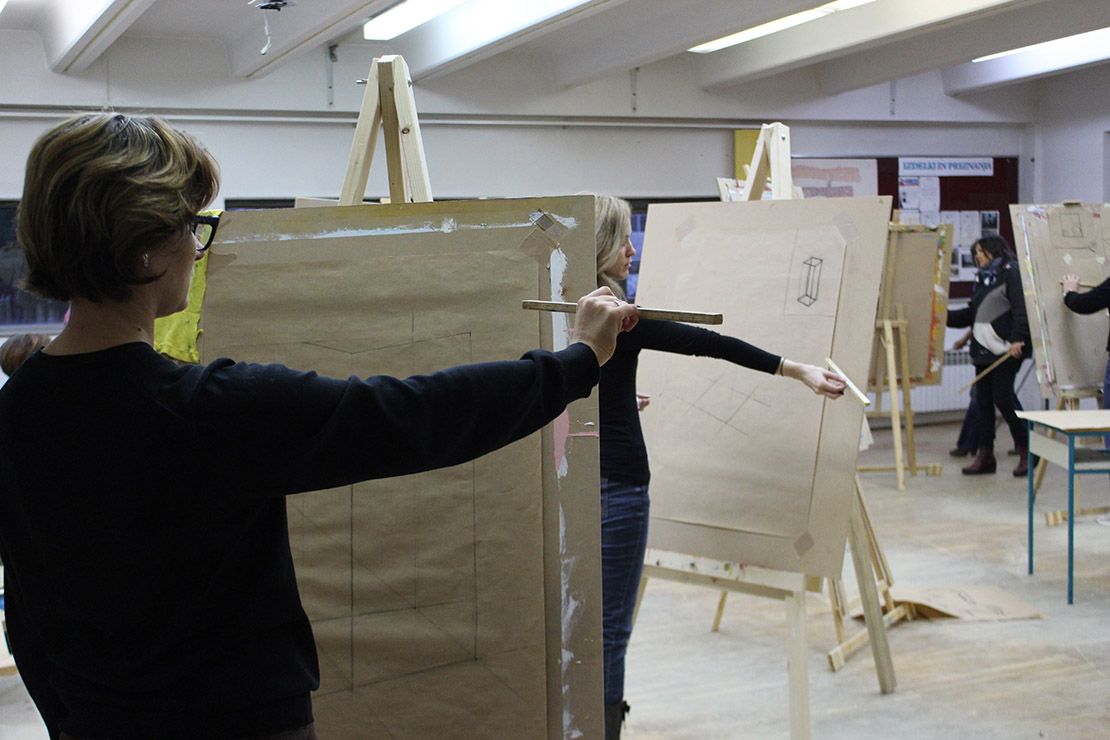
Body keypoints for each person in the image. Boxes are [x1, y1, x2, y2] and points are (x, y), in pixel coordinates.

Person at [0, 112, 638, 740]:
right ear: (142, 248)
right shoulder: (207, 410)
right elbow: (417, 414)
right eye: (191, 227)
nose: (199, 247)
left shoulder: (19, 410)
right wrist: (577, 360)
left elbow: (27, 617)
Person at [591, 195, 846, 739]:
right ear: (599, 247)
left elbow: (559, 386)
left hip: (573, 483)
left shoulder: (569, 315)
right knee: (610, 631)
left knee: (583, 623)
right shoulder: (623, 316)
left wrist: (608, 401)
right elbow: (707, 342)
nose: (631, 250)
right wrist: (797, 369)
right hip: (618, 490)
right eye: (621, 240)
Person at [946, 235, 1030, 476]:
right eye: (975, 253)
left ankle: (1027, 450)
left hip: (1005, 349)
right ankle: (986, 455)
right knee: (982, 403)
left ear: (994, 250)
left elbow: (1020, 307)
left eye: (981, 252)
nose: (977, 257)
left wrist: (1017, 339)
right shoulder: (983, 278)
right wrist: (943, 315)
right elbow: (972, 314)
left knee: (1003, 397)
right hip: (983, 351)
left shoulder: (1010, 271)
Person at [949, 329, 1023, 458]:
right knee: (1005, 399)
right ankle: (1024, 442)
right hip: (992, 355)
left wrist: (963, 340)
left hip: (999, 355)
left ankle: (968, 444)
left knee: (983, 398)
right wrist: (964, 340)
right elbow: (980, 322)